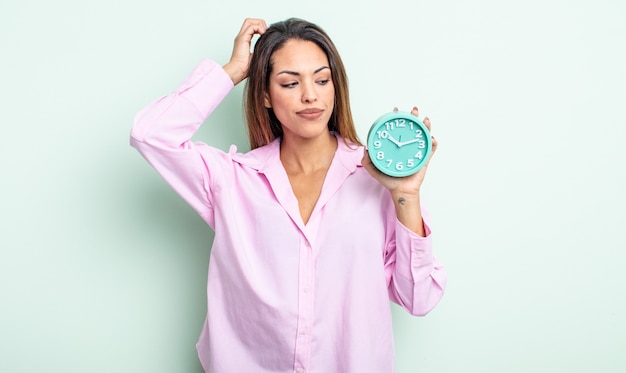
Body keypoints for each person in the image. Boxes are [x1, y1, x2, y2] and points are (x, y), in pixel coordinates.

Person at [130, 17, 446, 373]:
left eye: (322, 80)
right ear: (265, 94)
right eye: (290, 83)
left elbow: (419, 298)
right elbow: (150, 135)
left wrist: (405, 195)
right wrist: (233, 71)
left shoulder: (377, 179)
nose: (310, 94)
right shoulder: (234, 180)